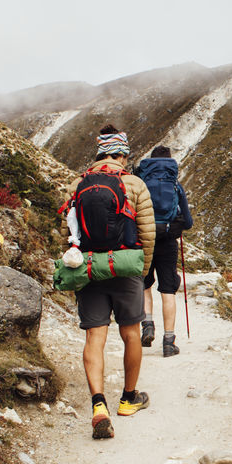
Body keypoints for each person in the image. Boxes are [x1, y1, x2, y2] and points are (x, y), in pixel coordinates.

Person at [63, 125, 157, 439]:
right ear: (122, 153)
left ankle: (98, 404)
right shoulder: (134, 184)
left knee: (94, 337)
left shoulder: (78, 184)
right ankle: (129, 399)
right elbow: (147, 233)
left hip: (90, 268)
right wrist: (142, 272)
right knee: (131, 333)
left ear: (99, 152)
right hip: (126, 266)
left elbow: (68, 229)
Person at [135, 146, 193, 357]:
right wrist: (175, 225)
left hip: (145, 241)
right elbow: (188, 222)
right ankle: (169, 342)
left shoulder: (141, 184)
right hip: (168, 243)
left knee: (145, 285)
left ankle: (147, 324)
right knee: (168, 291)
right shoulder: (175, 186)